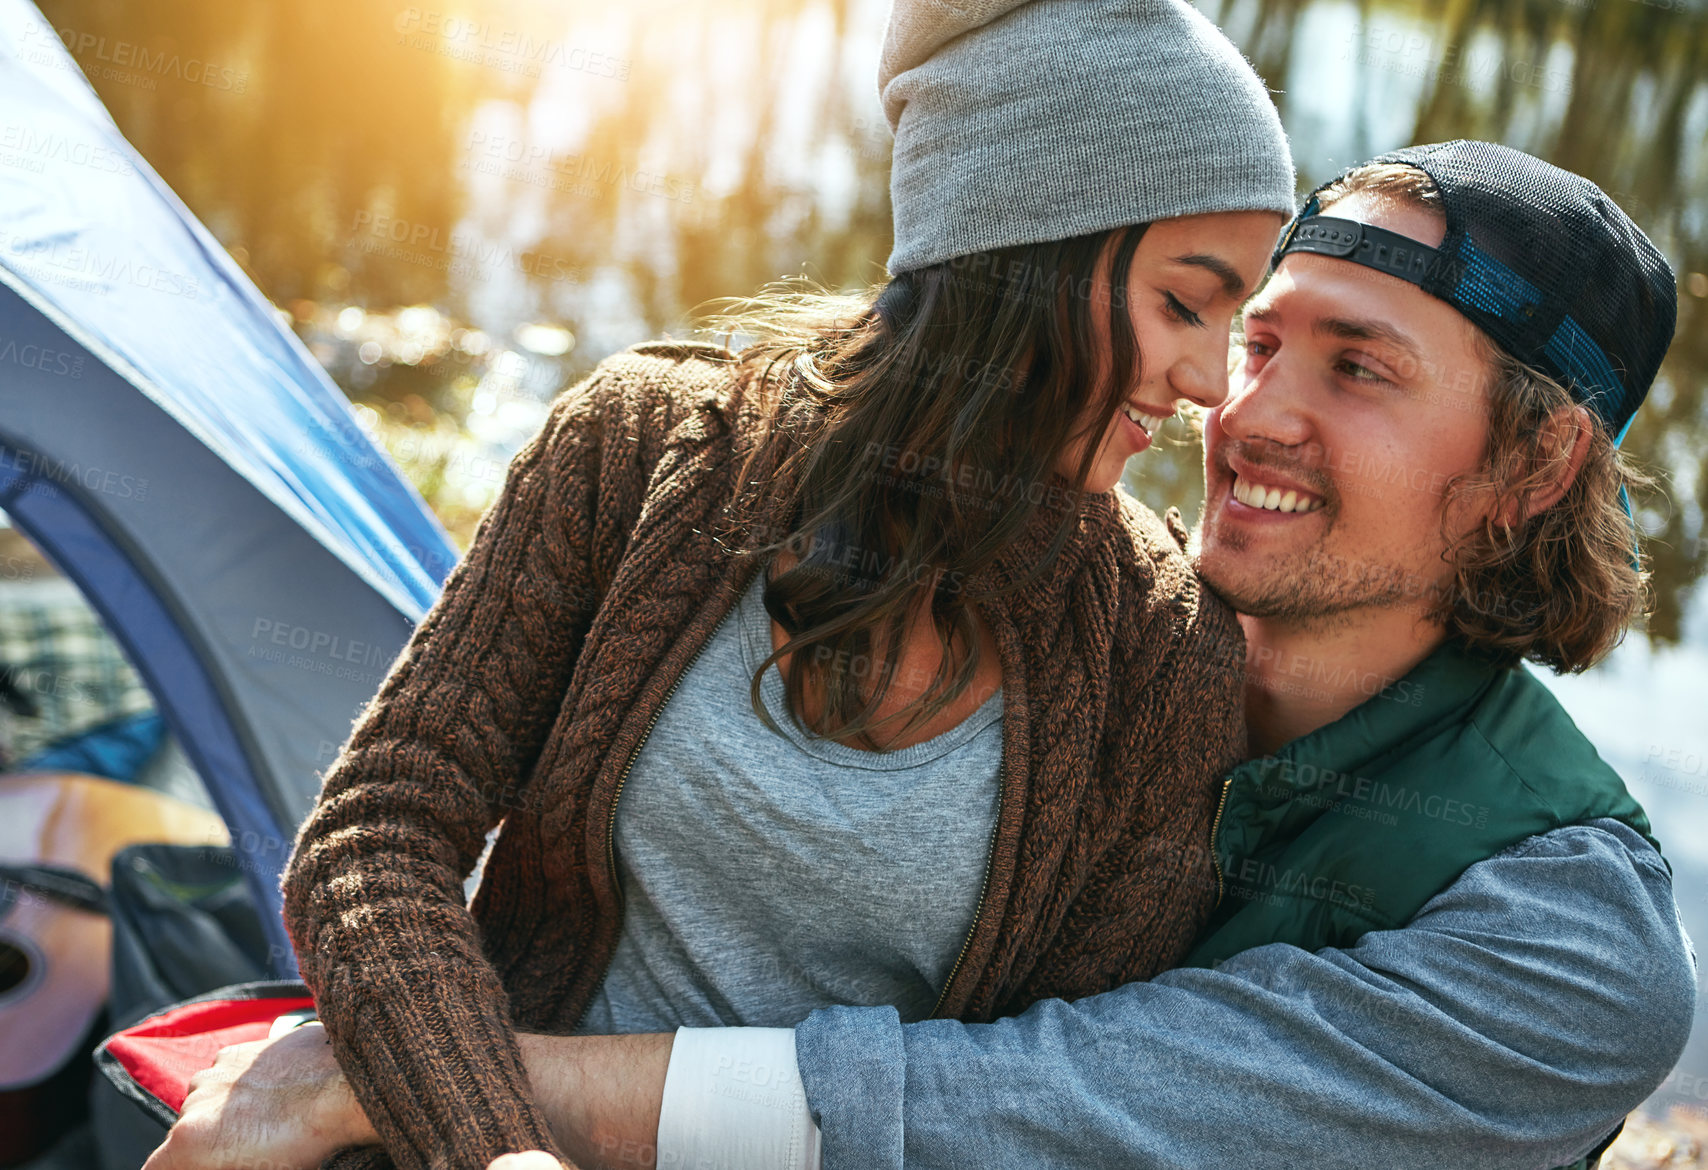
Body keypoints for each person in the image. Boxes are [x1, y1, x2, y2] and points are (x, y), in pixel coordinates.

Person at [144, 1, 1302, 1168]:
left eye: (1231, 317)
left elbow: (1044, 1096)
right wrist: (494, 1151)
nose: (1209, 381)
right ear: (1017, 256)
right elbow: (379, 827)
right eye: (1181, 302)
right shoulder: (643, 448)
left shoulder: (1163, 655)